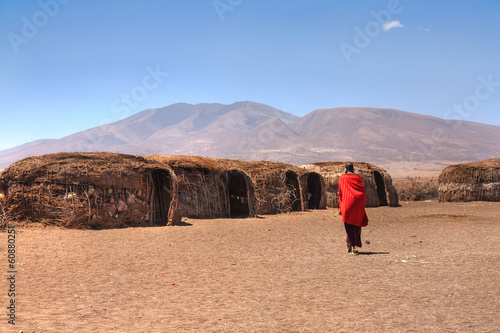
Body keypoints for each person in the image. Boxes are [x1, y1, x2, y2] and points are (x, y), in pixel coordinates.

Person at [338, 162, 368, 255]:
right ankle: (349, 243)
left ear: (345, 169)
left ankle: (353, 246)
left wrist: (340, 204)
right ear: (353, 169)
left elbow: (340, 192)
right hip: (358, 204)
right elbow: (363, 192)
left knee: (348, 225)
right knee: (355, 224)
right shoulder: (358, 178)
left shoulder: (343, 178)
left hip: (347, 204)